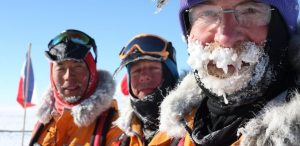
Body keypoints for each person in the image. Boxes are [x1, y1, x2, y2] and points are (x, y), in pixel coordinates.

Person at [157, 0, 300, 146]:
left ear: (281, 28)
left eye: (250, 11)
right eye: (207, 13)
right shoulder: (171, 135)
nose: (225, 38)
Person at [29, 29, 122, 146]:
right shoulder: (43, 124)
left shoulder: (116, 128)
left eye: (77, 66)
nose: (68, 76)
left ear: (91, 71)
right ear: (51, 74)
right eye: (61, 68)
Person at [112, 34, 179, 145]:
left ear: (170, 74)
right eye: (136, 71)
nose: (144, 76)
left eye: (153, 68)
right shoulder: (122, 138)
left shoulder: (197, 130)